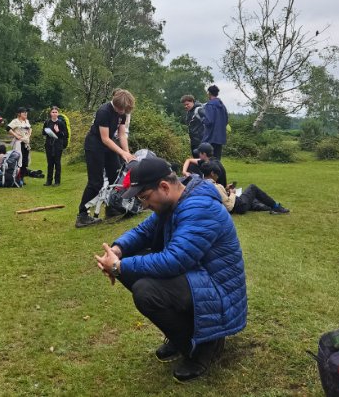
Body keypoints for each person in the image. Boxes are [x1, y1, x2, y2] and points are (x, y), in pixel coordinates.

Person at [94, 156, 247, 382]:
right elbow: (143, 231)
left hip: (218, 291)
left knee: (146, 290)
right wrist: (118, 250)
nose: (144, 204)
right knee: (132, 268)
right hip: (198, 278)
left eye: (145, 197)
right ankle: (184, 335)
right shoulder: (175, 201)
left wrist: (118, 266)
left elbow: (175, 260)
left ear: (164, 187)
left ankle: (205, 347)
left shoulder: (199, 207)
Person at [76, 89, 136, 228]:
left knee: (116, 177)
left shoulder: (123, 112)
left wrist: (127, 153)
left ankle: (112, 207)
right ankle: (82, 216)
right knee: (95, 182)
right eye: (121, 109)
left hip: (109, 145)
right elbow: (105, 139)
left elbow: (121, 135)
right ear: (116, 105)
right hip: (95, 145)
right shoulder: (104, 111)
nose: (123, 112)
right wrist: (121, 152)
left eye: (125, 110)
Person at [199, 161, 290, 215]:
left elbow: (219, 195)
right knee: (252, 188)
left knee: (252, 200)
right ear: (212, 173)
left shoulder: (202, 184)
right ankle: (276, 206)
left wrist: (226, 189)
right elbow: (229, 207)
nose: (218, 177)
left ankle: (270, 208)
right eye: (217, 174)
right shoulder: (216, 187)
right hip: (238, 206)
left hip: (237, 204)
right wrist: (232, 194)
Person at [42, 106, 68, 186]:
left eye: (55, 112)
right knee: (50, 163)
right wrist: (48, 132)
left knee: (57, 163)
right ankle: (49, 181)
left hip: (58, 144)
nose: (54, 114)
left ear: (58, 113)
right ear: (50, 113)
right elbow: (43, 132)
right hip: (49, 144)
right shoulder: (47, 122)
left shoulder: (61, 123)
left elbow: (65, 134)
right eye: (53, 112)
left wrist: (58, 131)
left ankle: (57, 181)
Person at [201, 84, 228, 159]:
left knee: (207, 159)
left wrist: (202, 120)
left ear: (209, 93)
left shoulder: (210, 105)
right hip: (220, 137)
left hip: (210, 137)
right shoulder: (222, 106)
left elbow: (209, 121)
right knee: (217, 160)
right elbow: (226, 121)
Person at [7, 107, 32, 179]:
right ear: (19, 114)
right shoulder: (15, 121)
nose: (25, 113)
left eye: (26, 112)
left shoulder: (27, 121)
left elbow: (30, 128)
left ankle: (22, 178)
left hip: (26, 143)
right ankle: (17, 177)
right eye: (23, 112)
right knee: (18, 159)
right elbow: (8, 128)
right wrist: (16, 135)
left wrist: (29, 135)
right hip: (19, 143)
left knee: (25, 160)